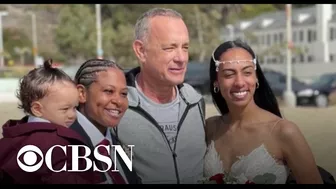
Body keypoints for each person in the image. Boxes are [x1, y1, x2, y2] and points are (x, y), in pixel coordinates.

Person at [203, 39, 323, 184]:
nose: (240, 82)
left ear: (256, 77)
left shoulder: (284, 131)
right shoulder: (210, 128)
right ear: (216, 81)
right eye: (229, 74)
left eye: (247, 72)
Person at [111, 8, 206, 184]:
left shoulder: (197, 103)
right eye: (169, 47)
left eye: (185, 47)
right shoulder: (114, 107)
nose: (181, 58)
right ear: (141, 51)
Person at [0, 59, 101, 184]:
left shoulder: (13, 138)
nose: (72, 115)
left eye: (74, 108)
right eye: (65, 109)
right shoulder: (52, 143)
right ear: (37, 109)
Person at [70, 59, 141, 184]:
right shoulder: (62, 145)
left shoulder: (118, 145)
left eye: (124, 94)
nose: (119, 101)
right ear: (82, 93)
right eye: (108, 91)